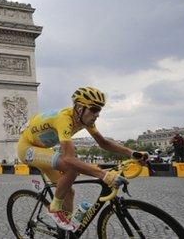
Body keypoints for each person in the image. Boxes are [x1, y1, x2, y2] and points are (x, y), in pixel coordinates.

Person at [16, 87, 148, 231]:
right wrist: (103, 175)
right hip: (27, 148)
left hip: (43, 149)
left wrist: (131, 153)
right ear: (79, 107)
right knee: (71, 166)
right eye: (94, 109)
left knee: (69, 191)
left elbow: (103, 143)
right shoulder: (64, 119)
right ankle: (54, 209)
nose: (97, 114)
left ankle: (64, 230)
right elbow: (69, 159)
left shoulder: (86, 120)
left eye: (99, 110)